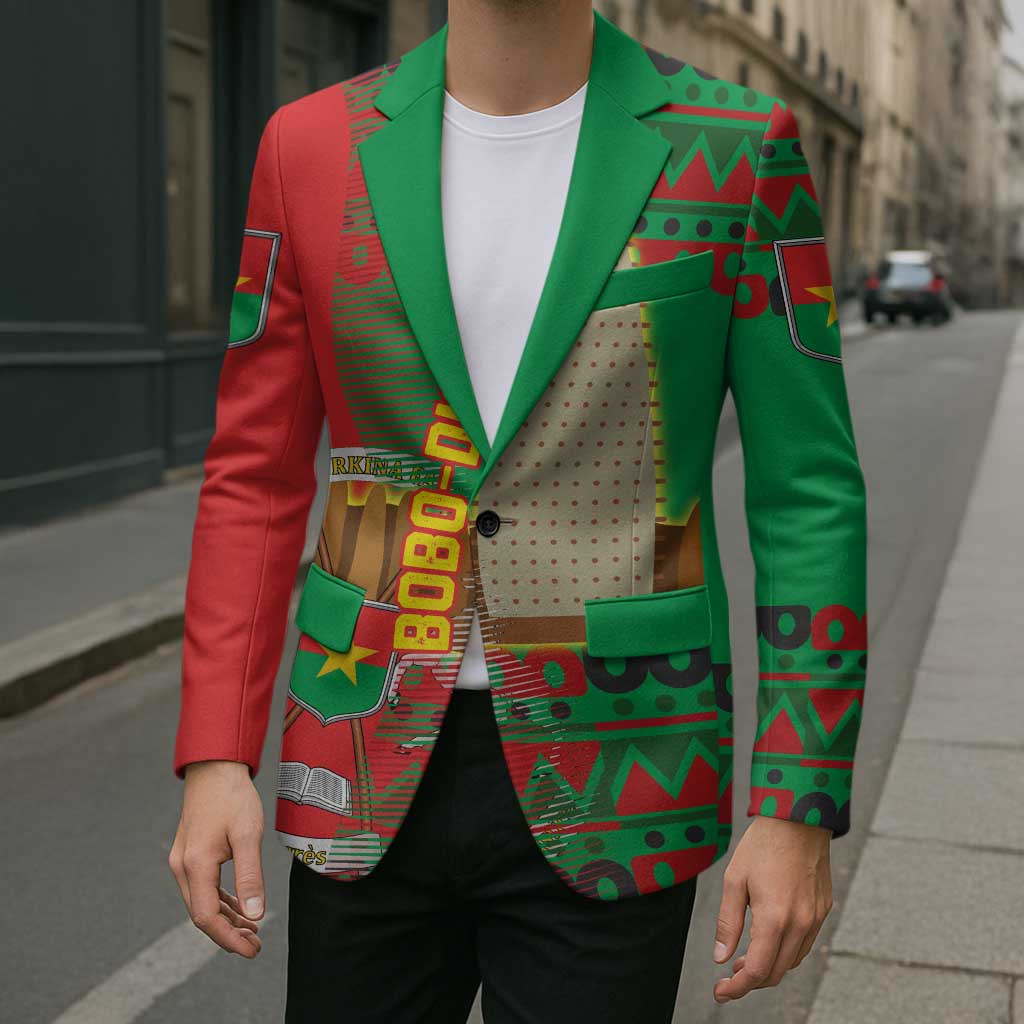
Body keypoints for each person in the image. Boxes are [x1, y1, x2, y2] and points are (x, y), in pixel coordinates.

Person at [169, 1, 868, 1020]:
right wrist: (215, 753)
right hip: (361, 745)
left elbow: (807, 491)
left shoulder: (737, 150)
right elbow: (255, 474)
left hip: (626, 755)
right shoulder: (311, 144)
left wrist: (796, 797)